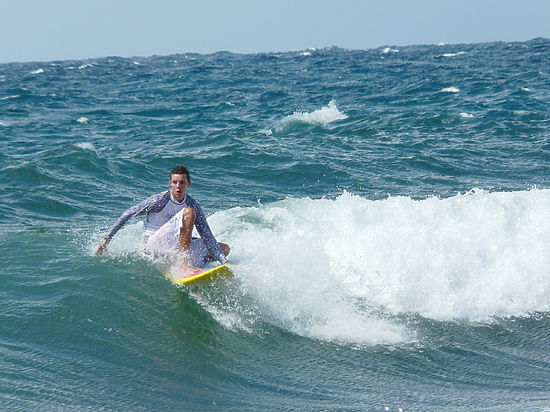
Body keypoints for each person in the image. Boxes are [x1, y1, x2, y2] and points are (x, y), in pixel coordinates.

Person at [95, 165, 230, 269]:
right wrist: (106, 240)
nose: (178, 186)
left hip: (176, 246)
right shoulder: (159, 200)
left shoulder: (192, 203)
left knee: (223, 249)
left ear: (188, 184)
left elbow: (207, 236)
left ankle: (196, 265)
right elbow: (128, 213)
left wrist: (225, 262)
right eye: (175, 182)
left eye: (182, 182)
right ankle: (184, 263)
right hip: (154, 245)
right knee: (189, 213)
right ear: (170, 183)